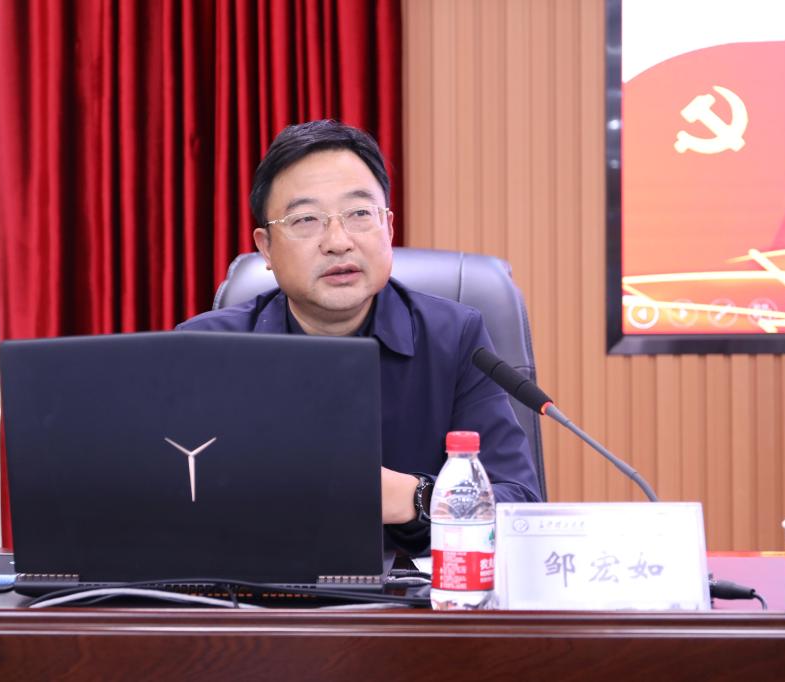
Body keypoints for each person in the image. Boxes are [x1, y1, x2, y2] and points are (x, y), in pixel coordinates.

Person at [177, 120, 542, 554]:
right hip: (253, 592)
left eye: (359, 214)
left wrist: (414, 498)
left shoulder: (455, 339)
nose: (338, 242)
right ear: (266, 248)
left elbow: (518, 508)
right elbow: (161, 504)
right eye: (306, 219)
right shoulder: (203, 349)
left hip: (407, 596)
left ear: (388, 228)